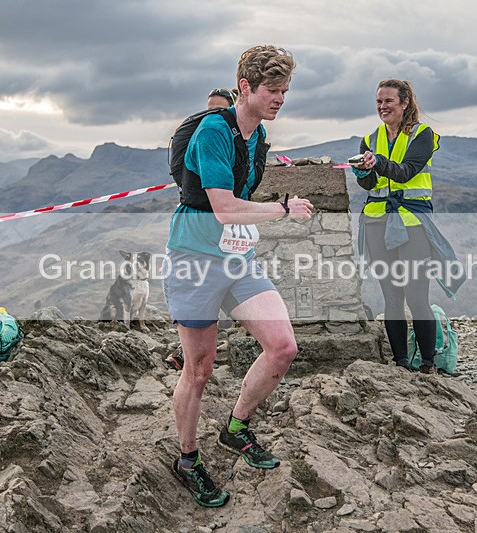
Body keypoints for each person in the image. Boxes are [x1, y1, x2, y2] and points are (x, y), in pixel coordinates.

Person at [164, 45, 312, 507]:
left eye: (285, 91)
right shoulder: (213, 130)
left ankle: (236, 426)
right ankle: (187, 459)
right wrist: (284, 209)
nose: (280, 99)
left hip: (238, 257)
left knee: (283, 347)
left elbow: (238, 208)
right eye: (272, 90)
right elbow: (225, 208)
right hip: (194, 257)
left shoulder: (257, 136)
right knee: (199, 369)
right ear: (244, 87)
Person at [351, 79, 444, 374]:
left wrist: (377, 161)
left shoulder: (423, 135)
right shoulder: (370, 138)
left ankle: (428, 364)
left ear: (405, 103)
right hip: (377, 222)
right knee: (391, 296)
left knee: (417, 296)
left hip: (413, 223)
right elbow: (368, 185)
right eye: (379, 101)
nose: (382, 107)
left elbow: (405, 174)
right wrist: (363, 170)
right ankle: (400, 363)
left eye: (389, 101)